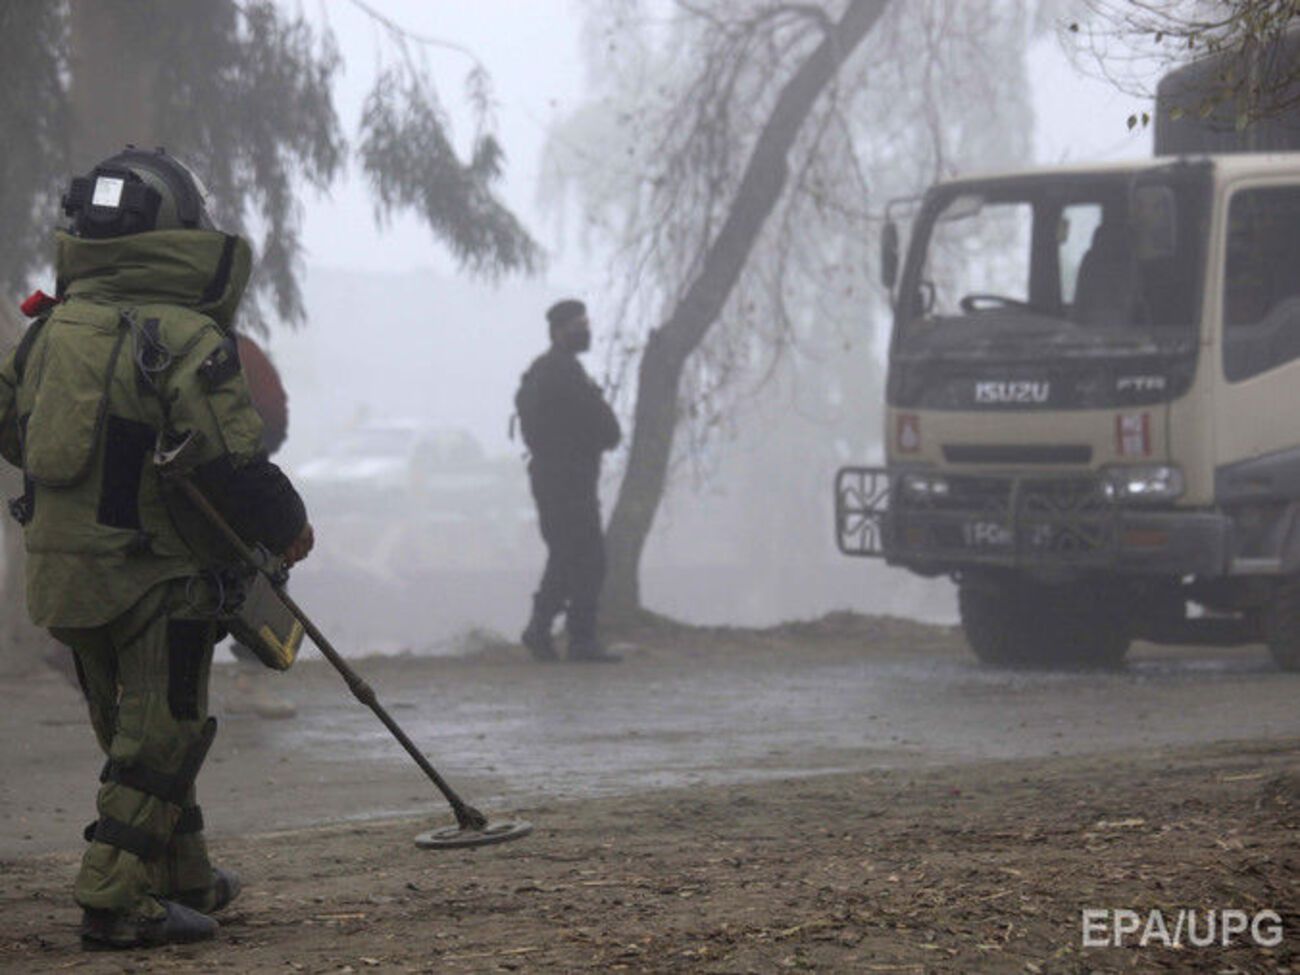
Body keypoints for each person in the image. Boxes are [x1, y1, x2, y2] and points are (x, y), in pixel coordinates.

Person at [0, 147, 314, 949]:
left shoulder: (49, 330)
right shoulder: (182, 335)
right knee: (162, 735)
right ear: (179, 228)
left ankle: (183, 874)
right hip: (155, 575)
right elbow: (232, 463)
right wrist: (288, 524)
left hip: (65, 573)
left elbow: (13, 429)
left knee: (134, 730)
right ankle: (113, 896)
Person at [515, 299, 622, 663]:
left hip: (559, 478)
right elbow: (597, 424)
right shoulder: (561, 373)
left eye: (586, 325)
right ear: (559, 331)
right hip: (567, 480)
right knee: (588, 558)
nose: (585, 332)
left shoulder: (550, 370)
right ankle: (579, 639)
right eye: (578, 327)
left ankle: (542, 630)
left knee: (566, 555)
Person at [227, 333, 297, 719]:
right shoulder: (234, 348)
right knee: (266, 568)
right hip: (233, 483)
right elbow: (272, 414)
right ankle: (250, 679)